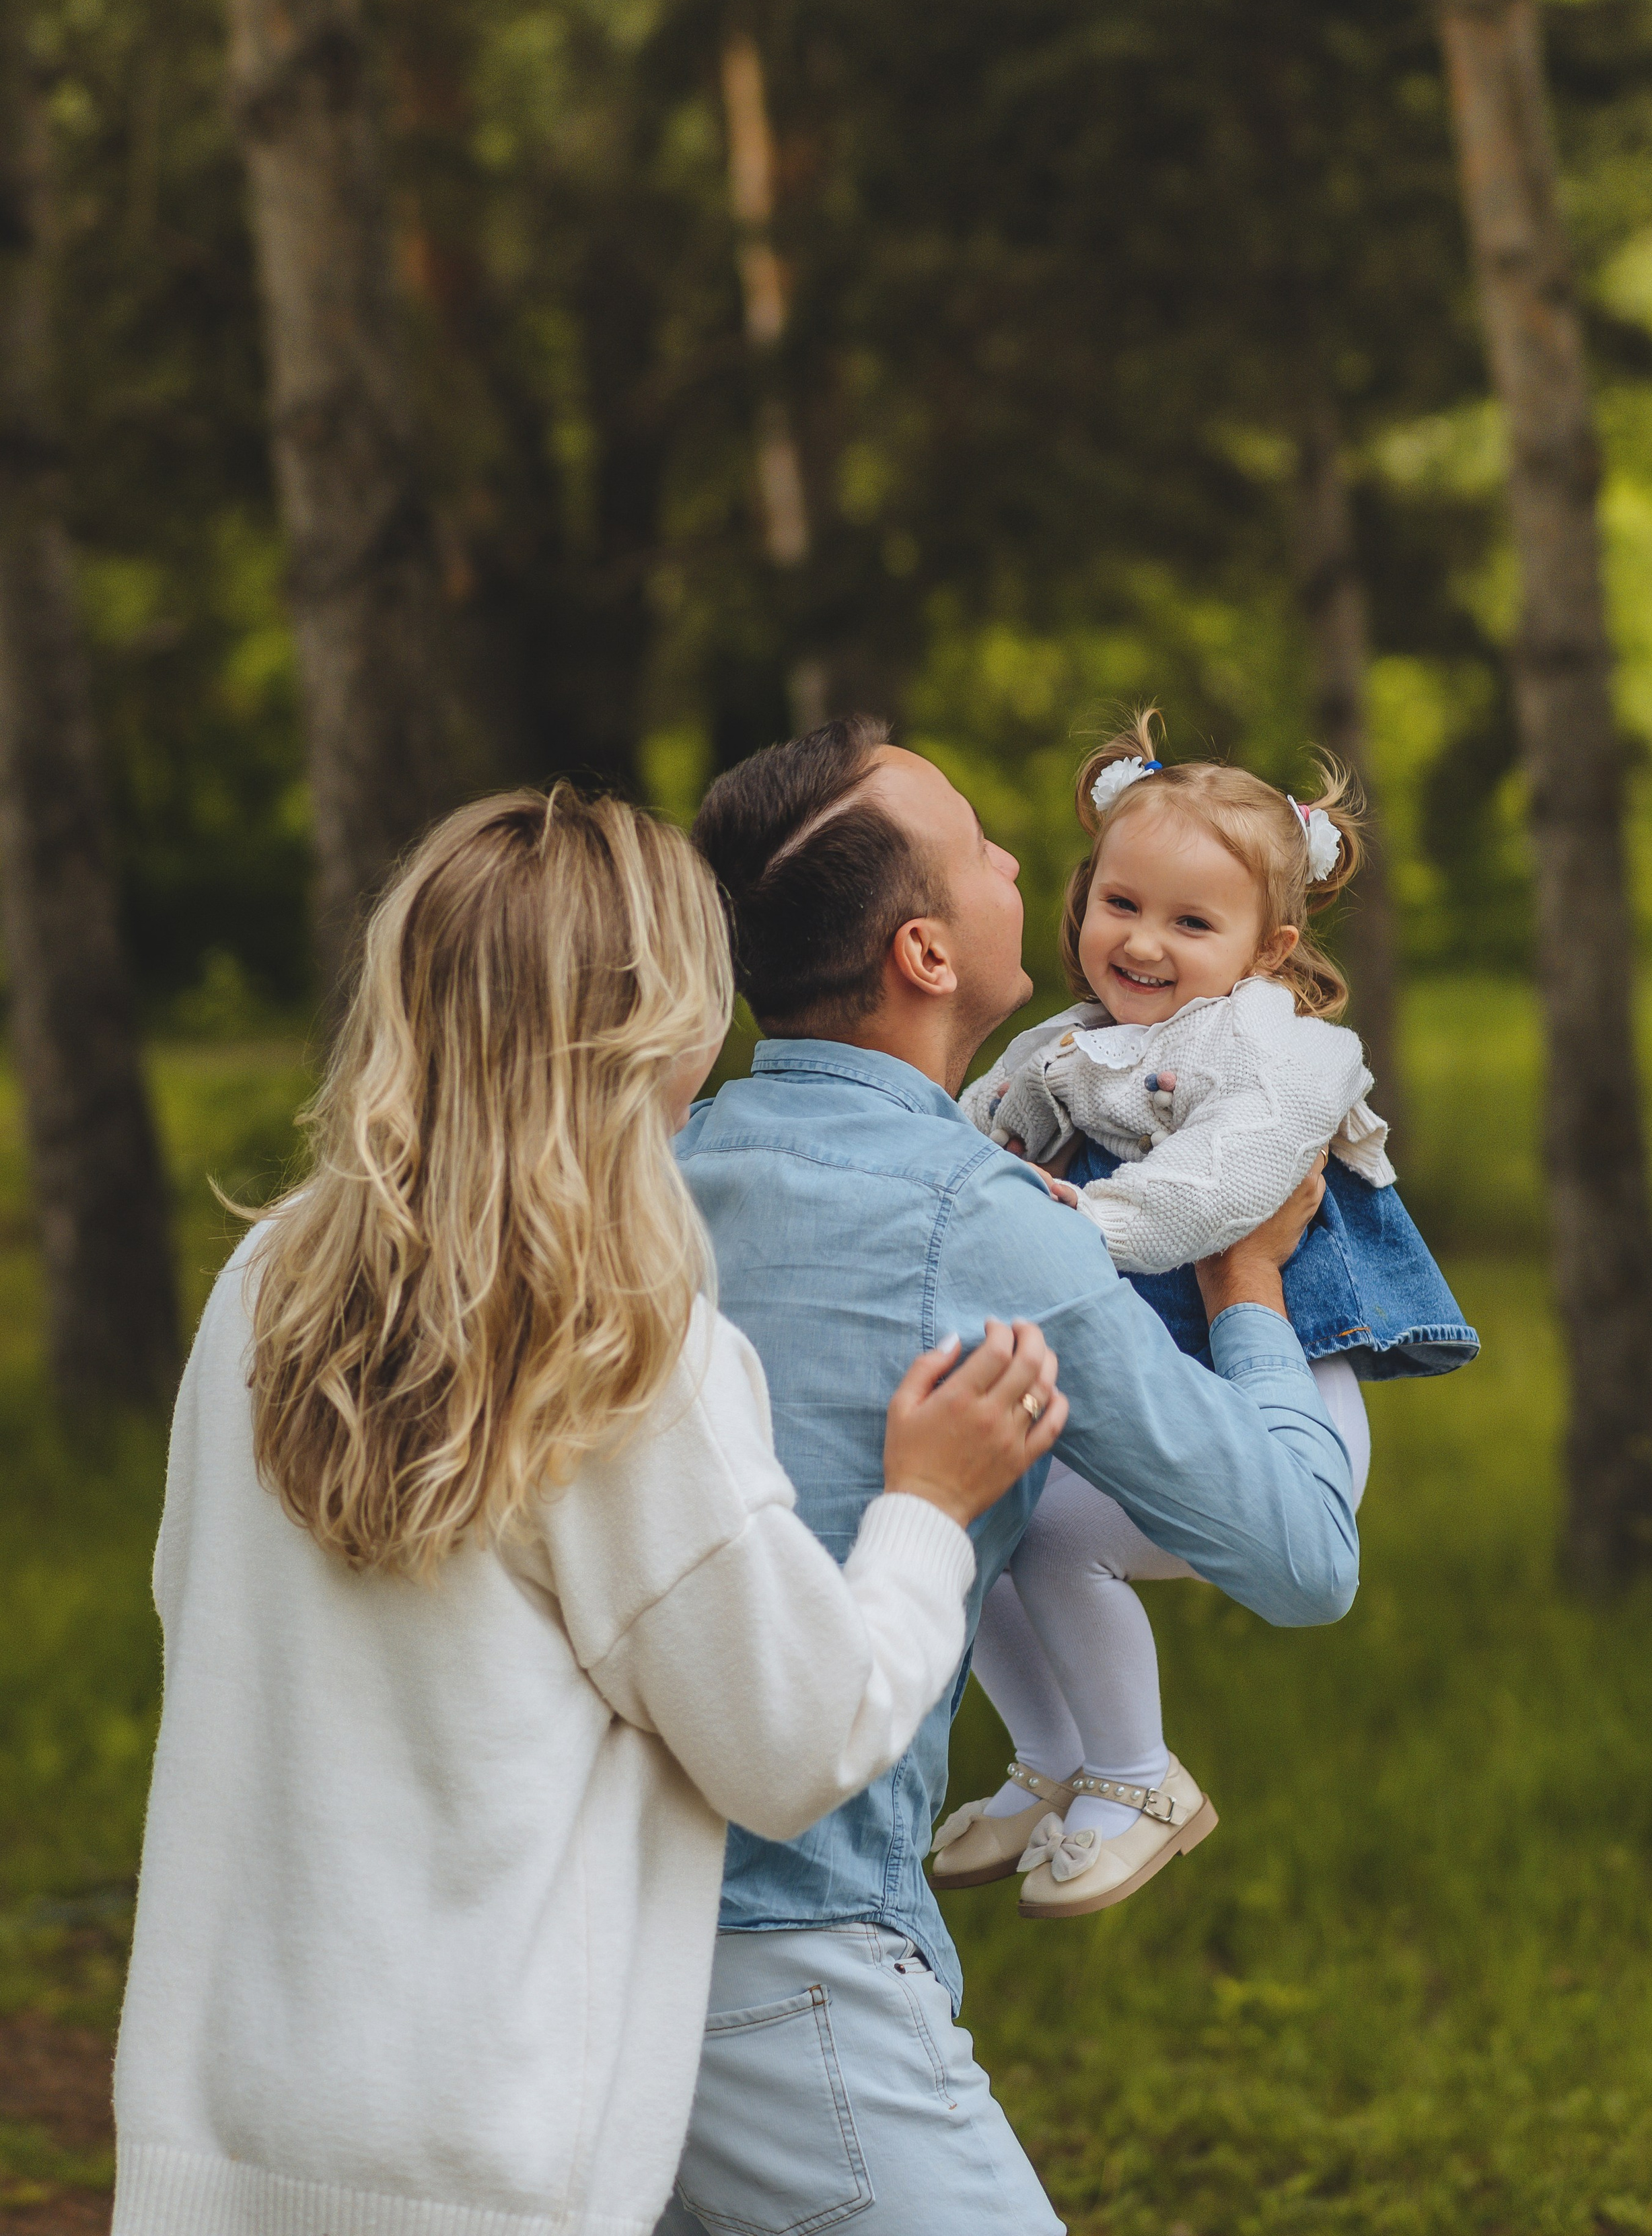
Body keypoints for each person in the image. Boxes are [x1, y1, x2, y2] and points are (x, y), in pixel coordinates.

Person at [110, 786, 1069, 2236]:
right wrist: (926, 1509)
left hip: (221, 2134)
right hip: (480, 2158)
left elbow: (198, 1605)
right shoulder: (617, 1328)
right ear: (659, 1026)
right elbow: (798, 1735)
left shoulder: (271, 1281)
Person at [660, 717, 1361, 2236]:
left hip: (601, 1945)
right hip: (804, 1970)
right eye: (981, 846)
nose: (1020, 862)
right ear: (923, 953)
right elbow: (1303, 1557)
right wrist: (1250, 1289)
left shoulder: (662, 1168)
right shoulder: (987, 1222)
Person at [945, 713, 1476, 1919]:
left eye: (1193, 923)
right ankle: (1059, 1759)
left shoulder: (1281, 1045)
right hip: (1174, 1385)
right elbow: (983, 1133)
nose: (1143, 941)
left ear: (1266, 946)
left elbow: (1220, 1191)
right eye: (1121, 904)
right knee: (980, 1517)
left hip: (1283, 1402)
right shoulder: (1069, 1042)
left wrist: (1071, 1229)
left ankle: (1139, 1779)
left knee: (1054, 1539)